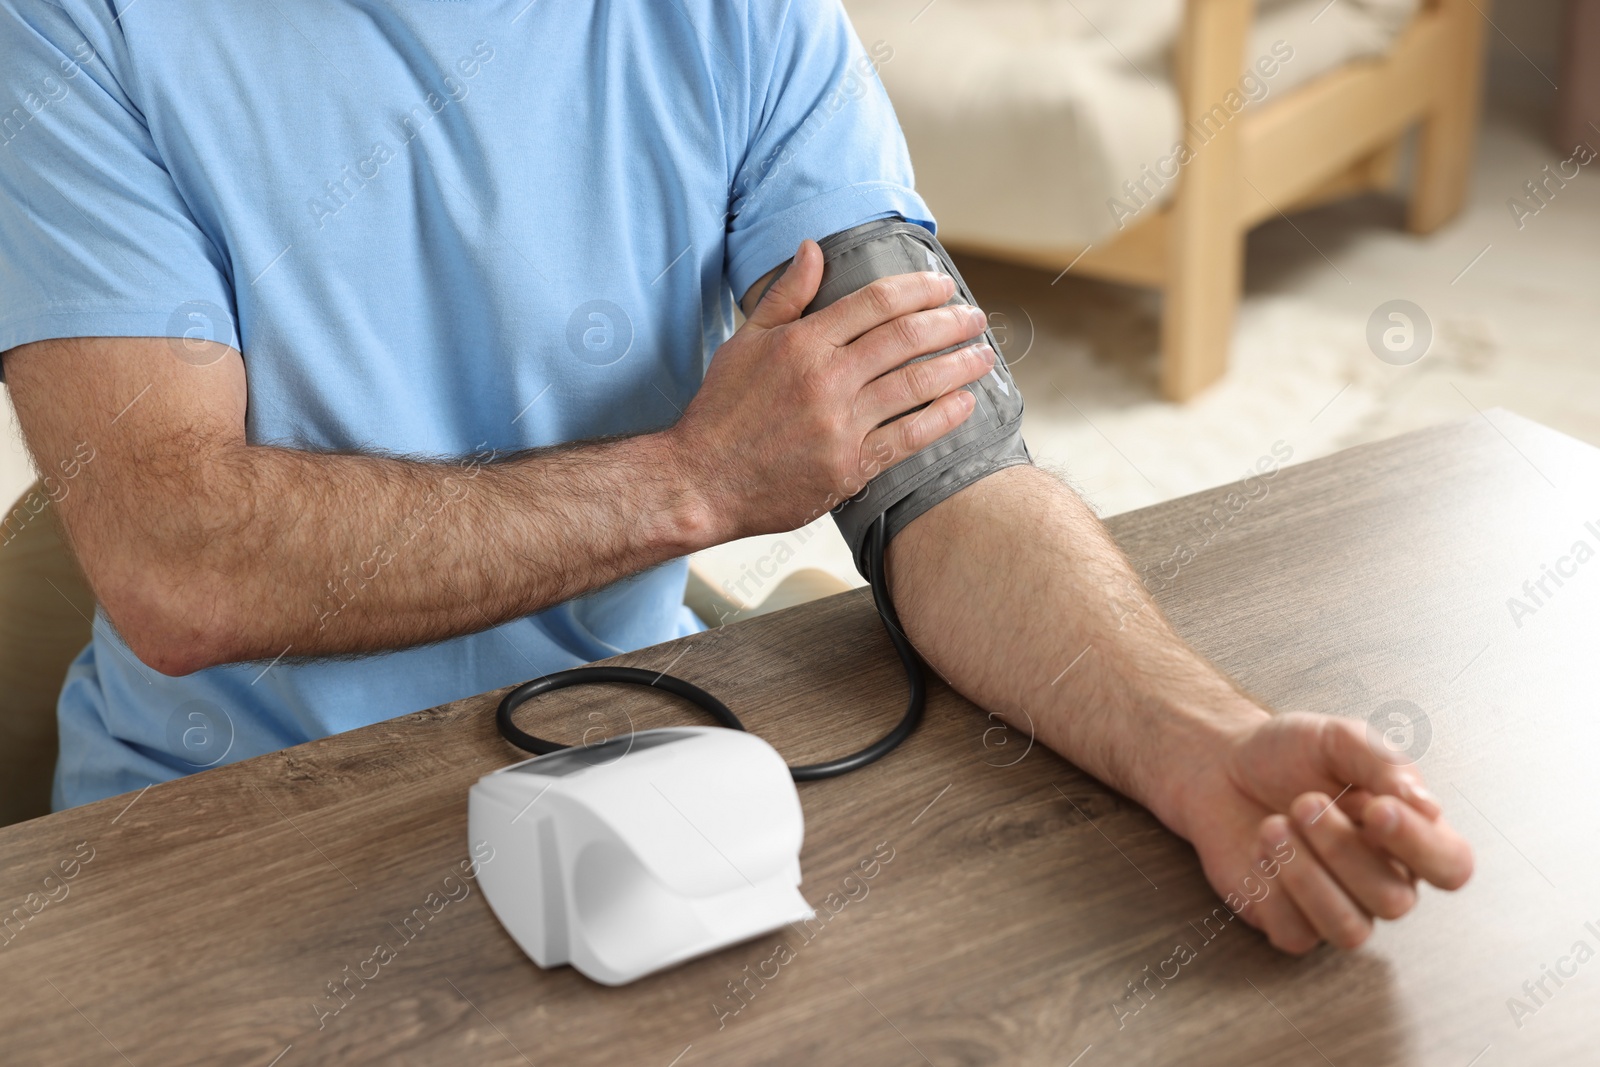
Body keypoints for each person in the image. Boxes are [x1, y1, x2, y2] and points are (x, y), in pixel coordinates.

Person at [0, 0, 1469, 954]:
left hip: (636, 771)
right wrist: (695, 481)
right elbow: (175, 560)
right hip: (216, 841)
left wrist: (1198, 744)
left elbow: (941, 467)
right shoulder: (79, 29)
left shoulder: (747, 17)